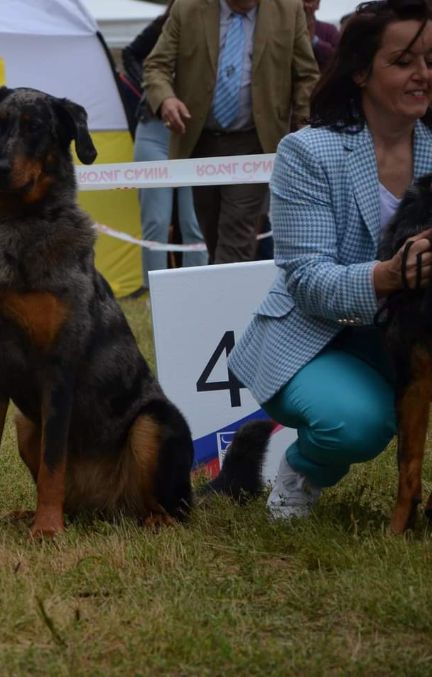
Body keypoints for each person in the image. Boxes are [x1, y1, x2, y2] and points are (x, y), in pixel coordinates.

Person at [228, 0, 432, 520]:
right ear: (361, 71)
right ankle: (302, 467)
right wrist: (389, 275)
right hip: (317, 336)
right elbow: (308, 280)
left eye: (430, 60)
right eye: (404, 61)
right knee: (354, 423)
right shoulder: (308, 152)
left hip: (413, 333)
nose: (423, 75)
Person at [142, 0, 320, 265]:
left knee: (236, 235)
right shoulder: (188, 8)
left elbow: (307, 76)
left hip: (254, 143)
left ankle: (223, 300)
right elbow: (156, 66)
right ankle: (227, 293)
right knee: (212, 235)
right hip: (200, 142)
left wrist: (304, 130)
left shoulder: (288, 9)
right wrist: (166, 99)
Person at [123, 0, 208, 290]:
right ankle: (154, 292)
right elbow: (131, 54)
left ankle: (198, 289)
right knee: (156, 222)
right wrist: (154, 94)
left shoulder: (220, 24)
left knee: (194, 222)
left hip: (195, 133)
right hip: (154, 130)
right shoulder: (165, 22)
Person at [303, 0, 341, 71]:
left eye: (308, 1)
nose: (304, 5)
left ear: (318, 4)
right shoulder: (285, 31)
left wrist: (314, 41)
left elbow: (339, 58)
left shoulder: (329, 30)